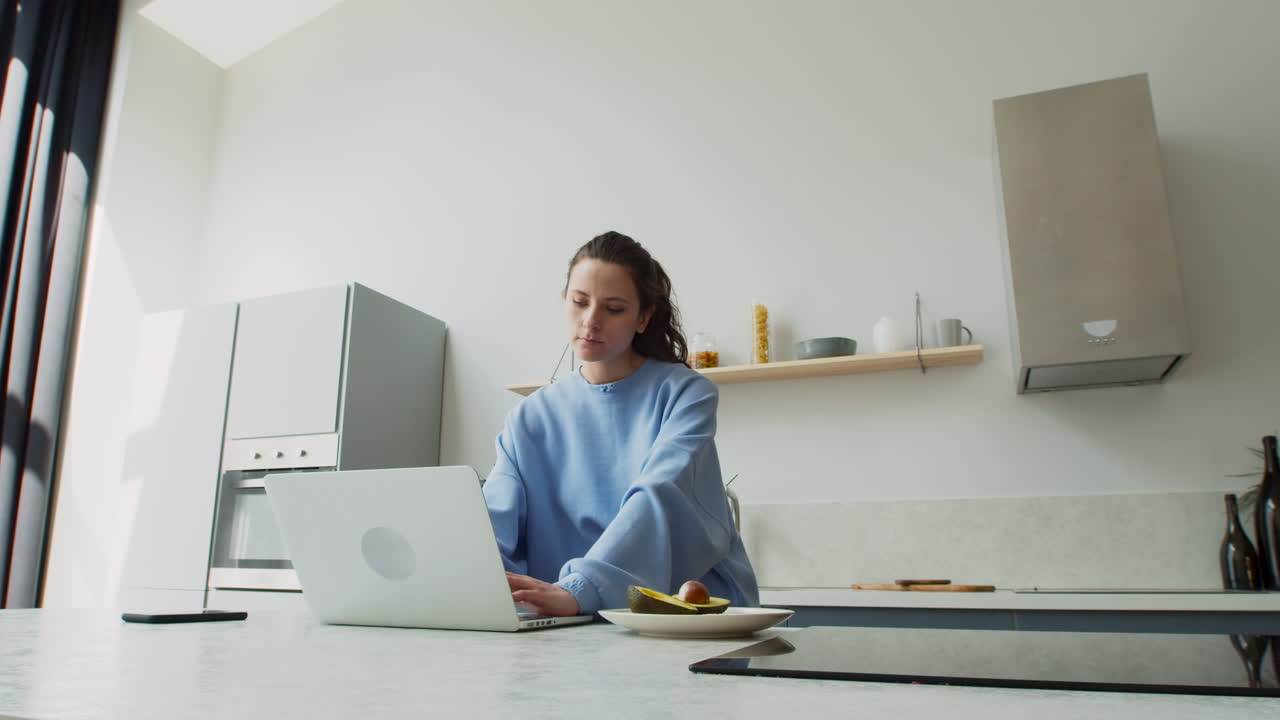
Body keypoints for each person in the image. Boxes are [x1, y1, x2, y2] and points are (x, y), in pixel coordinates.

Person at [482, 231, 759, 616]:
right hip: (569, 620)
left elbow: (662, 496)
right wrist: (477, 583)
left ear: (643, 318)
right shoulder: (528, 417)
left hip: (677, 616)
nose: (590, 321)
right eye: (579, 302)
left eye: (613, 309)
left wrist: (584, 589)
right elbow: (495, 520)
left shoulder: (686, 393)